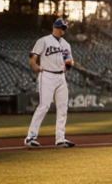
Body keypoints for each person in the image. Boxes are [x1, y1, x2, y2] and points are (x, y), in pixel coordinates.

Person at [25, 18, 75, 148]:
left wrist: (68, 64)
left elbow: (69, 62)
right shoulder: (44, 41)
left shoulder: (66, 45)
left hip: (61, 77)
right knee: (44, 106)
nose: (62, 30)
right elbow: (32, 56)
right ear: (55, 27)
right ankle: (30, 137)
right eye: (61, 27)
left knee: (63, 107)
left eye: (64, 28)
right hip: (47, 75)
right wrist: (35, 67)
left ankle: (60, 138)